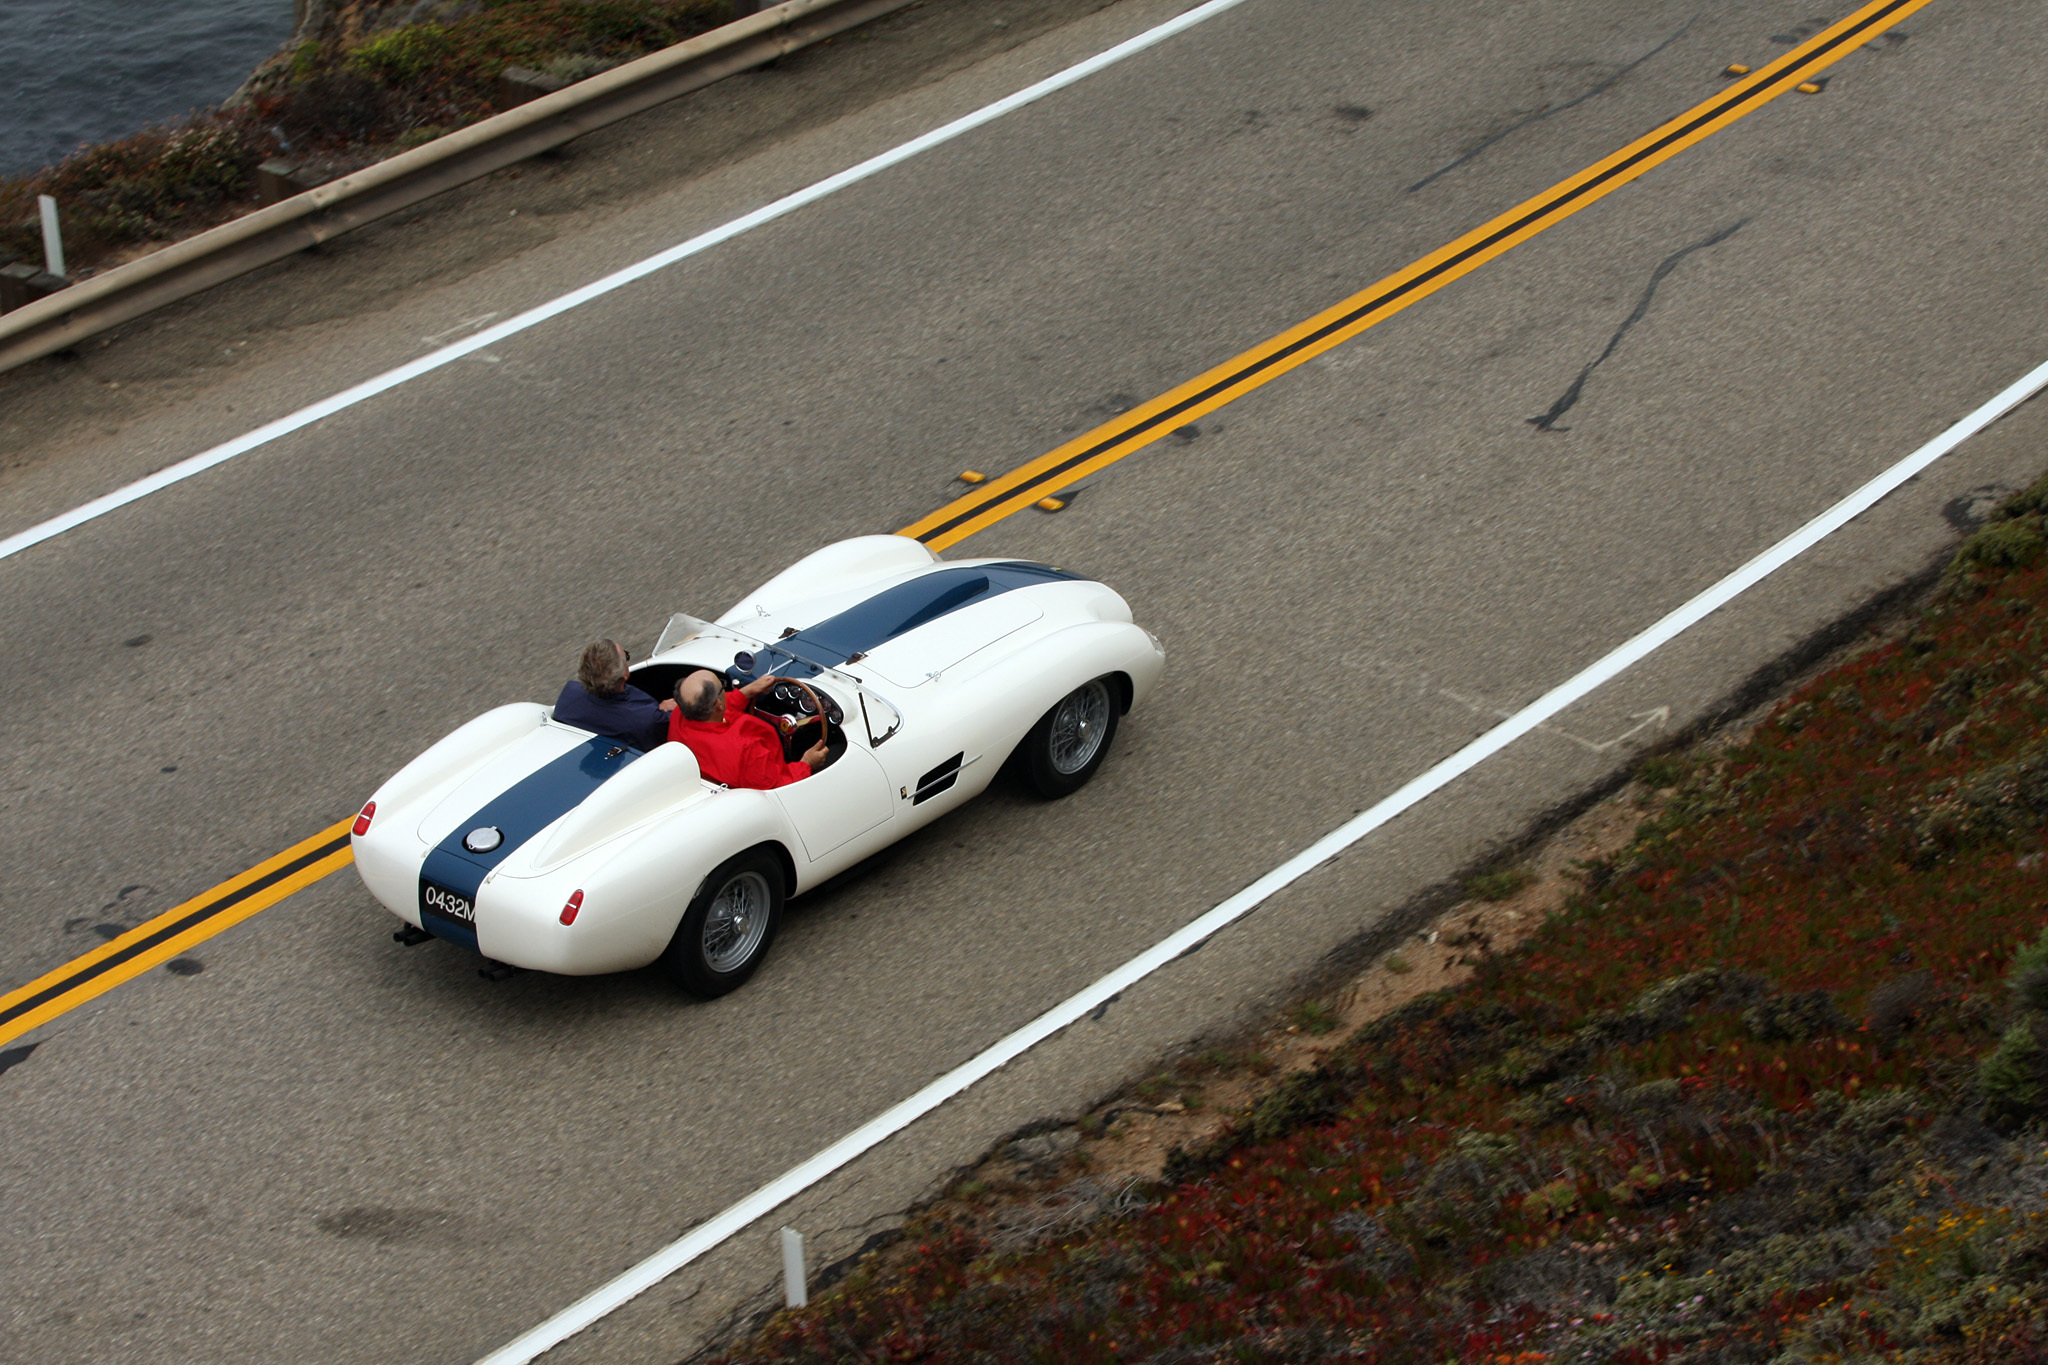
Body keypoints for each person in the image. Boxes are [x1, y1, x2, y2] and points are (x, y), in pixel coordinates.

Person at [668, 669, 829, 790]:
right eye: (722, 687)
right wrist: (807, 763)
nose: (726, 692)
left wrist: (747, 691)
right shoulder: (744, 751)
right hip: (776, 778)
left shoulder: (680, 714)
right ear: (718, 703)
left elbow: (719, 708)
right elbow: (777, 785)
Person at [552, 639, 673, 751]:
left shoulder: (570, 695)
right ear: (625, 675)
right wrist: (662, 712)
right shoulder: (647, 720)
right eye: (626, 656)